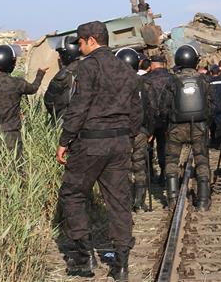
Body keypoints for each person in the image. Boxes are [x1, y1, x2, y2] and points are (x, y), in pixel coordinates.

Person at [56, 21, 141, 281]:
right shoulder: (126, 68)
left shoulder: (88, 66)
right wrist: (129, 134)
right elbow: (137, 110)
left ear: (91, 40)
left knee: (72, 193)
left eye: (80, 42)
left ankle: (83, 258)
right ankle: (121, 265)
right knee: (118, 200)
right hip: (119, 143)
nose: (79, 47)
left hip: (90, 143)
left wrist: (64, 140)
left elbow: (79, 107)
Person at [0, 45, 46, 163]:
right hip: (12, 139)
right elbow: (33, 89)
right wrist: (40, 74)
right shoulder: (18, 84)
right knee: (16, 172)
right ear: (10, 64)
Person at [163, 43, 214, 210]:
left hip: (176, 127)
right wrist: (208, 123)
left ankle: (171, 199)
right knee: (202, 161)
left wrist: (167, 122)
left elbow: (163, 106)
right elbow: (212, 105)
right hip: (199, 126)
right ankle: (203, 201)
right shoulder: (204, 80)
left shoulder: (172, 81)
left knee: (171, 160)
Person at [116, 48, 157, 213]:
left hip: (119, 132)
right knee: (140, 166)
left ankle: (124, 202)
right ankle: (139, 202)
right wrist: (150, 130)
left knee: (122, 168)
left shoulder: (113, 84)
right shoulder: (144, 83)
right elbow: (152, 109)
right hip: (140, 130)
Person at [142, 54, 176, 187]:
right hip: (166, 119)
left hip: (147, 119)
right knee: (164, 146)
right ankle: (163, 174)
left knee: (147, 147)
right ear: (164, 64)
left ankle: (148, 174)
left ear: (152, 65)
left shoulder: (144, 79)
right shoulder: (172, 79)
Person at [43, 36, 82, 121]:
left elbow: (48, 101)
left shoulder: (63, 74)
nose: (59, 57)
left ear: (67, 53)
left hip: (68, 120)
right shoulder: (89, 67)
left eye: (61, 54)